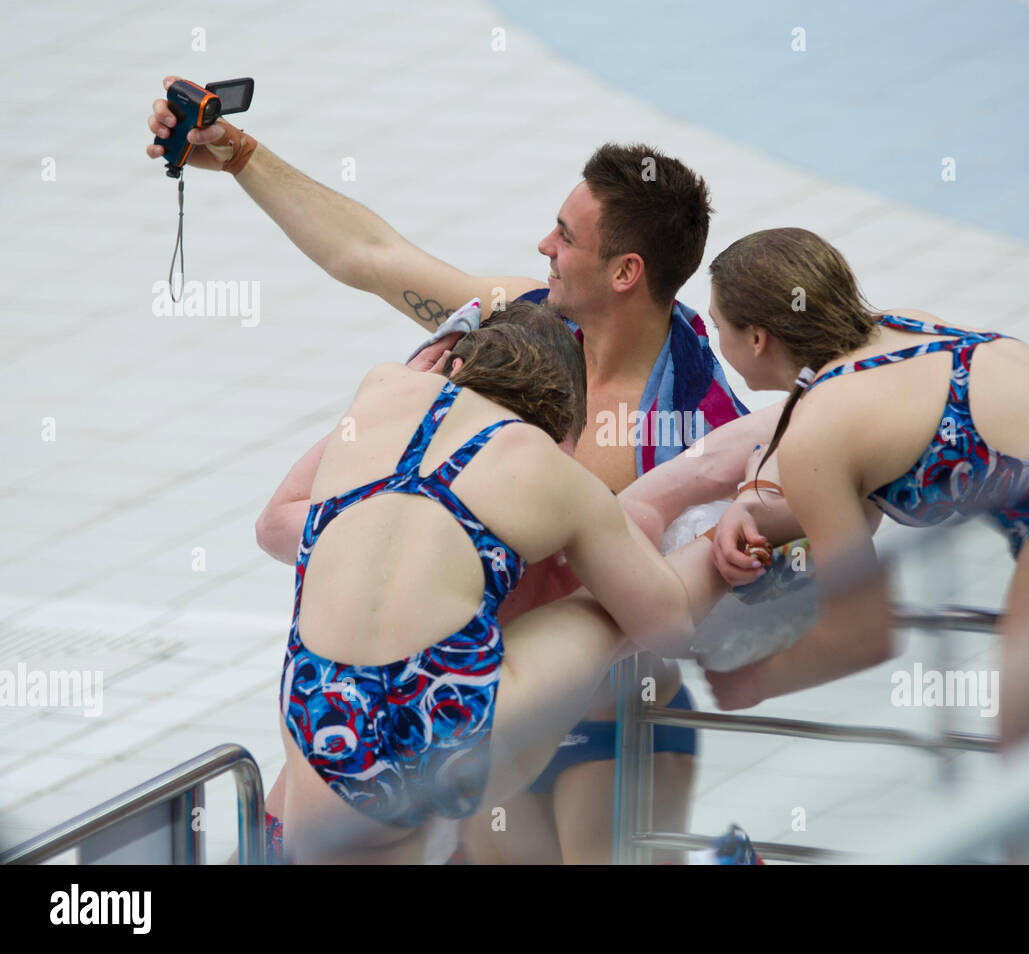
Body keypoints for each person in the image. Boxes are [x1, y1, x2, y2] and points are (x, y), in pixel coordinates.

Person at [148, 81, 751, 862]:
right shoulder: (520, 320)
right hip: (459, 694)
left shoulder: (695, 420)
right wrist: (235, 153)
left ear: (626, 272)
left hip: (593, 721)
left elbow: (738, 606)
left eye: (564, 236)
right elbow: (369, 256)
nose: (543, 247)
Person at [700, 228, 1029, 744]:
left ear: (757, 338)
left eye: (718, 325)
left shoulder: (814, 429)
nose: (716, 338)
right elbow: (859, 500)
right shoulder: (907, 326)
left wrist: (753, 681)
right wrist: (763, 514)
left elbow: (863, 634)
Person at [268, 300, 740, 863]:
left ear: (454, 363)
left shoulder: (382, 388)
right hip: (444, 718)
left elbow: (277, 519)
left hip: (323, 713)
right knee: (609, 615)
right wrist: (713, 539)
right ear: (565, 423)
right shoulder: (552, 470)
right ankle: (734, 536)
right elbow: (667, 626)